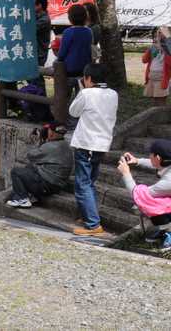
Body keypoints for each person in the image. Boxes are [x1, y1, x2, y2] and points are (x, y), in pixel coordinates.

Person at [68, 63, 118, 236]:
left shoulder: (87, 93)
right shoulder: (113, 94)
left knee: (82, 184)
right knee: (90, 181)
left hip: (87, 144)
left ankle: (93, 224)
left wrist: (82, 90)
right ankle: (89, 215)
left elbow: (73, 112)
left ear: (88, 78)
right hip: (102, 144)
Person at [6, 123, 72, 208]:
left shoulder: (51, 147)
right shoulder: (66, 145)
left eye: (48, 130)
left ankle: (22, 199)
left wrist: (36, 141)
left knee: (16, 171)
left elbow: (31, 155)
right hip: (57, 186)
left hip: (47, 186)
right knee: (30, 167)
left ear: (51, 133)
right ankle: (31, 197)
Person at [118, 140, 171, 243]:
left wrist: (126, 173)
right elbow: (157, 164)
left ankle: (169, 232)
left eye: (150, 154)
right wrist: (137, 161)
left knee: (145, 202)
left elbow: (139, 194)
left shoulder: (168, 182)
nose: (149, 156)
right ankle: (165, 229)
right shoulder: (167, 163)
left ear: (158, 158)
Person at [57, 4, 93, 99]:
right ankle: (78, 113)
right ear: (85, 17)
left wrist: (58, 59)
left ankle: (65, 113)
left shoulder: (68, 32)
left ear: (70, 18)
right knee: (81, 97)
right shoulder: (88, 31)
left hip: (69, 70)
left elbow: (62, 53)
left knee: (65, 96)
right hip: (84, 69)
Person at [142, 27, 171, 106]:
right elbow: (144, 60)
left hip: (161, 79)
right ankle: (157, 116)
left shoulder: (168, 50)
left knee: (161, 101)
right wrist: (150, 50)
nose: (156, 39)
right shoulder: (153, 49)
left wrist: (164, 49)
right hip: (152, 77)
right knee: (154, 100)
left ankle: (163, 116)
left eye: (160, 37)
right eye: (155, 37)